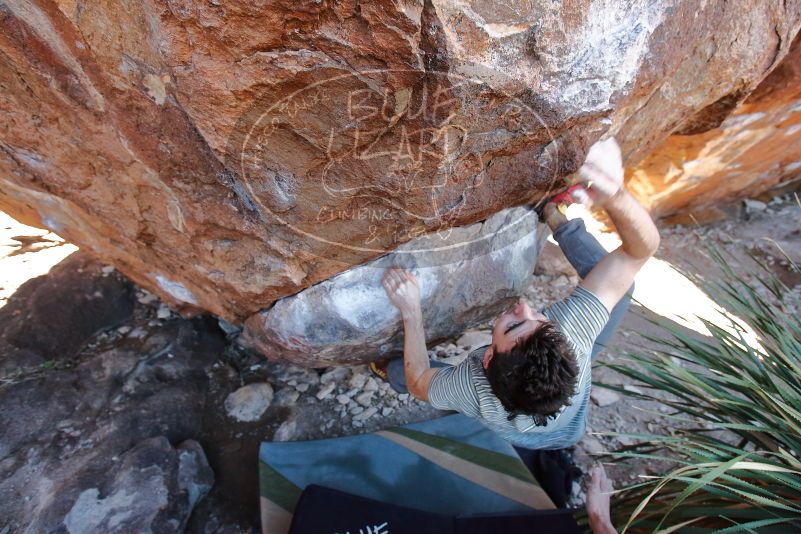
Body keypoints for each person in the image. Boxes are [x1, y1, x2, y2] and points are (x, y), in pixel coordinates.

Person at [373, 137, 660, 449]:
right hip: (567, 395)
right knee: (622, 283)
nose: (523, 304)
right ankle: (555, 214)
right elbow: (637, 253)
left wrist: (411, 311)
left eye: (513, 324)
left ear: (487, 357)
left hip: (557, 436)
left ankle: (385, 370)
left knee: (406, 372)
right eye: (539, 318)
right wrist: (616, 196)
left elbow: (419, 384)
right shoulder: (572, 332)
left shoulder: (471, 388)